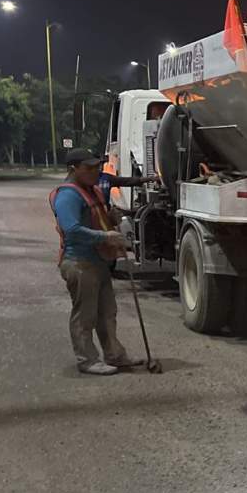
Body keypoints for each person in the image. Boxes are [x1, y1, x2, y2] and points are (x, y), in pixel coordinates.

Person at [49, 148, 144, 375]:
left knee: (107, 313)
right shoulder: (68, 195)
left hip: (99, 261)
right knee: (85, 315)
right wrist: (105, 236)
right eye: (89, 168)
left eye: (97, 167)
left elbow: (99, 216)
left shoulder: (93, 191)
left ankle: (115, 355)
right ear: (74, 169)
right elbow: (71, 230)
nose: (96, 171)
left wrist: (111, 218)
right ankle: (87, 360)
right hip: (79, 262)